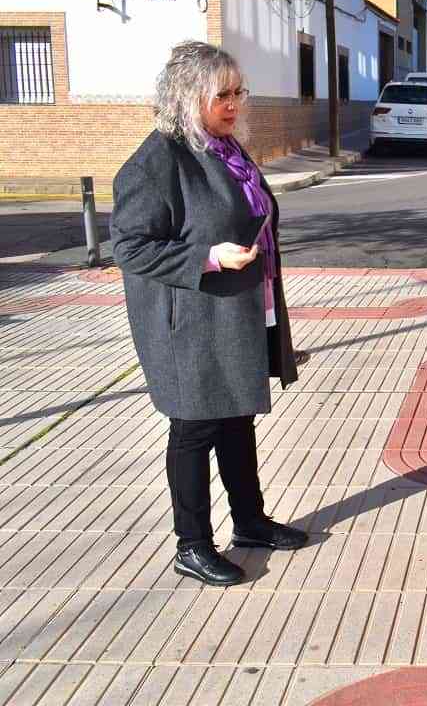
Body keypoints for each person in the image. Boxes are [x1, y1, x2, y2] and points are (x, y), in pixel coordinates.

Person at [111, 41, 309, 587]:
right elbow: (129, 246)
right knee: (195, 428)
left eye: (237, 92)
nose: (234, 104)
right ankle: (192, 545)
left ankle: (249, 523)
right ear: (187, 96)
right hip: (190, 320)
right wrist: (206, 257)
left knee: (237, 416)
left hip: (239, 309)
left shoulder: (226, 149)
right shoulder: (159, 159)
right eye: (221, 94)